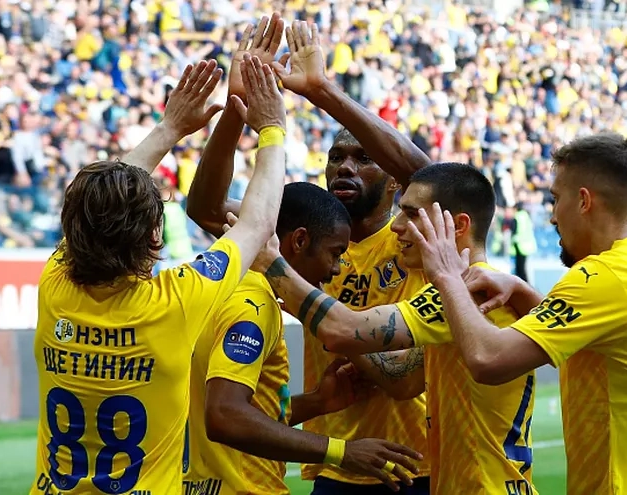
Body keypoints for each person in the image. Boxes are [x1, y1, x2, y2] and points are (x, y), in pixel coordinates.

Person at [186, 19, 433, 494]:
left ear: (394, 179)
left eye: (363, 158)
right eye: (336, 157)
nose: (345, 167)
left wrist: (321, 91)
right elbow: (206, 208)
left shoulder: (414, 239)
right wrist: (237, 107)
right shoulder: (297, 237)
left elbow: (434, 176)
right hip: (334, 464)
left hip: (413, 462)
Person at [403, 133, 627, 494]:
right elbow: (593, 336)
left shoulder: (603, 277)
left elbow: (488, 359)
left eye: (555, 199)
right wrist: (521, 290)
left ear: (583, 200)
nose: (552, 216)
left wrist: (447, 276)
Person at [30, 57, 288, 495]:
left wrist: (170, 127)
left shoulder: (54, 284)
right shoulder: (176, 300)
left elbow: (94, 204)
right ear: (154, 236)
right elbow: (257, 224)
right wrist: (273, 128)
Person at [256, 163, 538, 494]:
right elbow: (402, 379)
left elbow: (343, 329)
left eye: (412, 214)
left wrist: (271, 261)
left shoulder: (466, 293)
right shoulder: (478, 292)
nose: (397, 225)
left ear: (459, 225)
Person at [184, 184, 423, 495]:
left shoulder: (227, 290)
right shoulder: (253, 305)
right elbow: (223, 415)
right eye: (335, 254)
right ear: (299, 240)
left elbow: (237, 412)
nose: (335, 270)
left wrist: (317, 402)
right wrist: (342, 451)